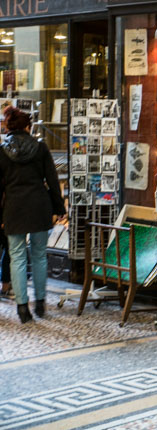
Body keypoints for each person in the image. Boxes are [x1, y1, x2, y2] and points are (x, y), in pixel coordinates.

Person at [0, 107, 66, 322]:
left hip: (13, 208)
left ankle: (22, 308)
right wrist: (59, 208)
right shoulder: (41, 148)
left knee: (17, 257)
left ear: (9, 127)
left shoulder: (2, 151)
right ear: (28, 127)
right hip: (39, 206)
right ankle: (40, 303)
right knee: (38, 255)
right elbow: (52, 180)